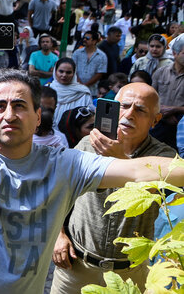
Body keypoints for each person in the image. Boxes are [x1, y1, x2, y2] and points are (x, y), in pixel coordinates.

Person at [0, 17, 184, 293]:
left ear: (38, 117)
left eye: (20, 105)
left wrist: (123, 157)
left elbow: (139, 171)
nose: (9, 115)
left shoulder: (63, 164)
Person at [51, 83, 177, 293]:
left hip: (130, 274)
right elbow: (59, 192)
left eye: (140, 110)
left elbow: (152, 193)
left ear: (155, 121)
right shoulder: (87, 145)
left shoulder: (165, 157)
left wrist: (118, 159)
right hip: (76, 267)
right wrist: (59, 234)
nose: (129, 114)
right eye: (124, 106)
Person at [150, 34, 184, 149]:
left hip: (180, 125)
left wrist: (174, 110)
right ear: (175, 53)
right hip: (159, 122)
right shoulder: (161, 72)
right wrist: (163, 113)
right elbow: (151, 98)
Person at [49, 58, 93, 125]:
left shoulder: (83, 93)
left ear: (74, 73)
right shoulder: (48, 89)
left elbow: (87, 119)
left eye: (68, 72)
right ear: (55, 71)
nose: (64, 75)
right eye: (61, 71)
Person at [72, 30, 108, 97]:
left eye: (87, 38)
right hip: (76, 89)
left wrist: (86, 85)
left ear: (94, 41)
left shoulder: (102, 56)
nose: (84, 40)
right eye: (84, 38)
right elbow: (72, 69)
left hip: (92, 91)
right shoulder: (77, 53)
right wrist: (80, 84)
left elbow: (100, 73)